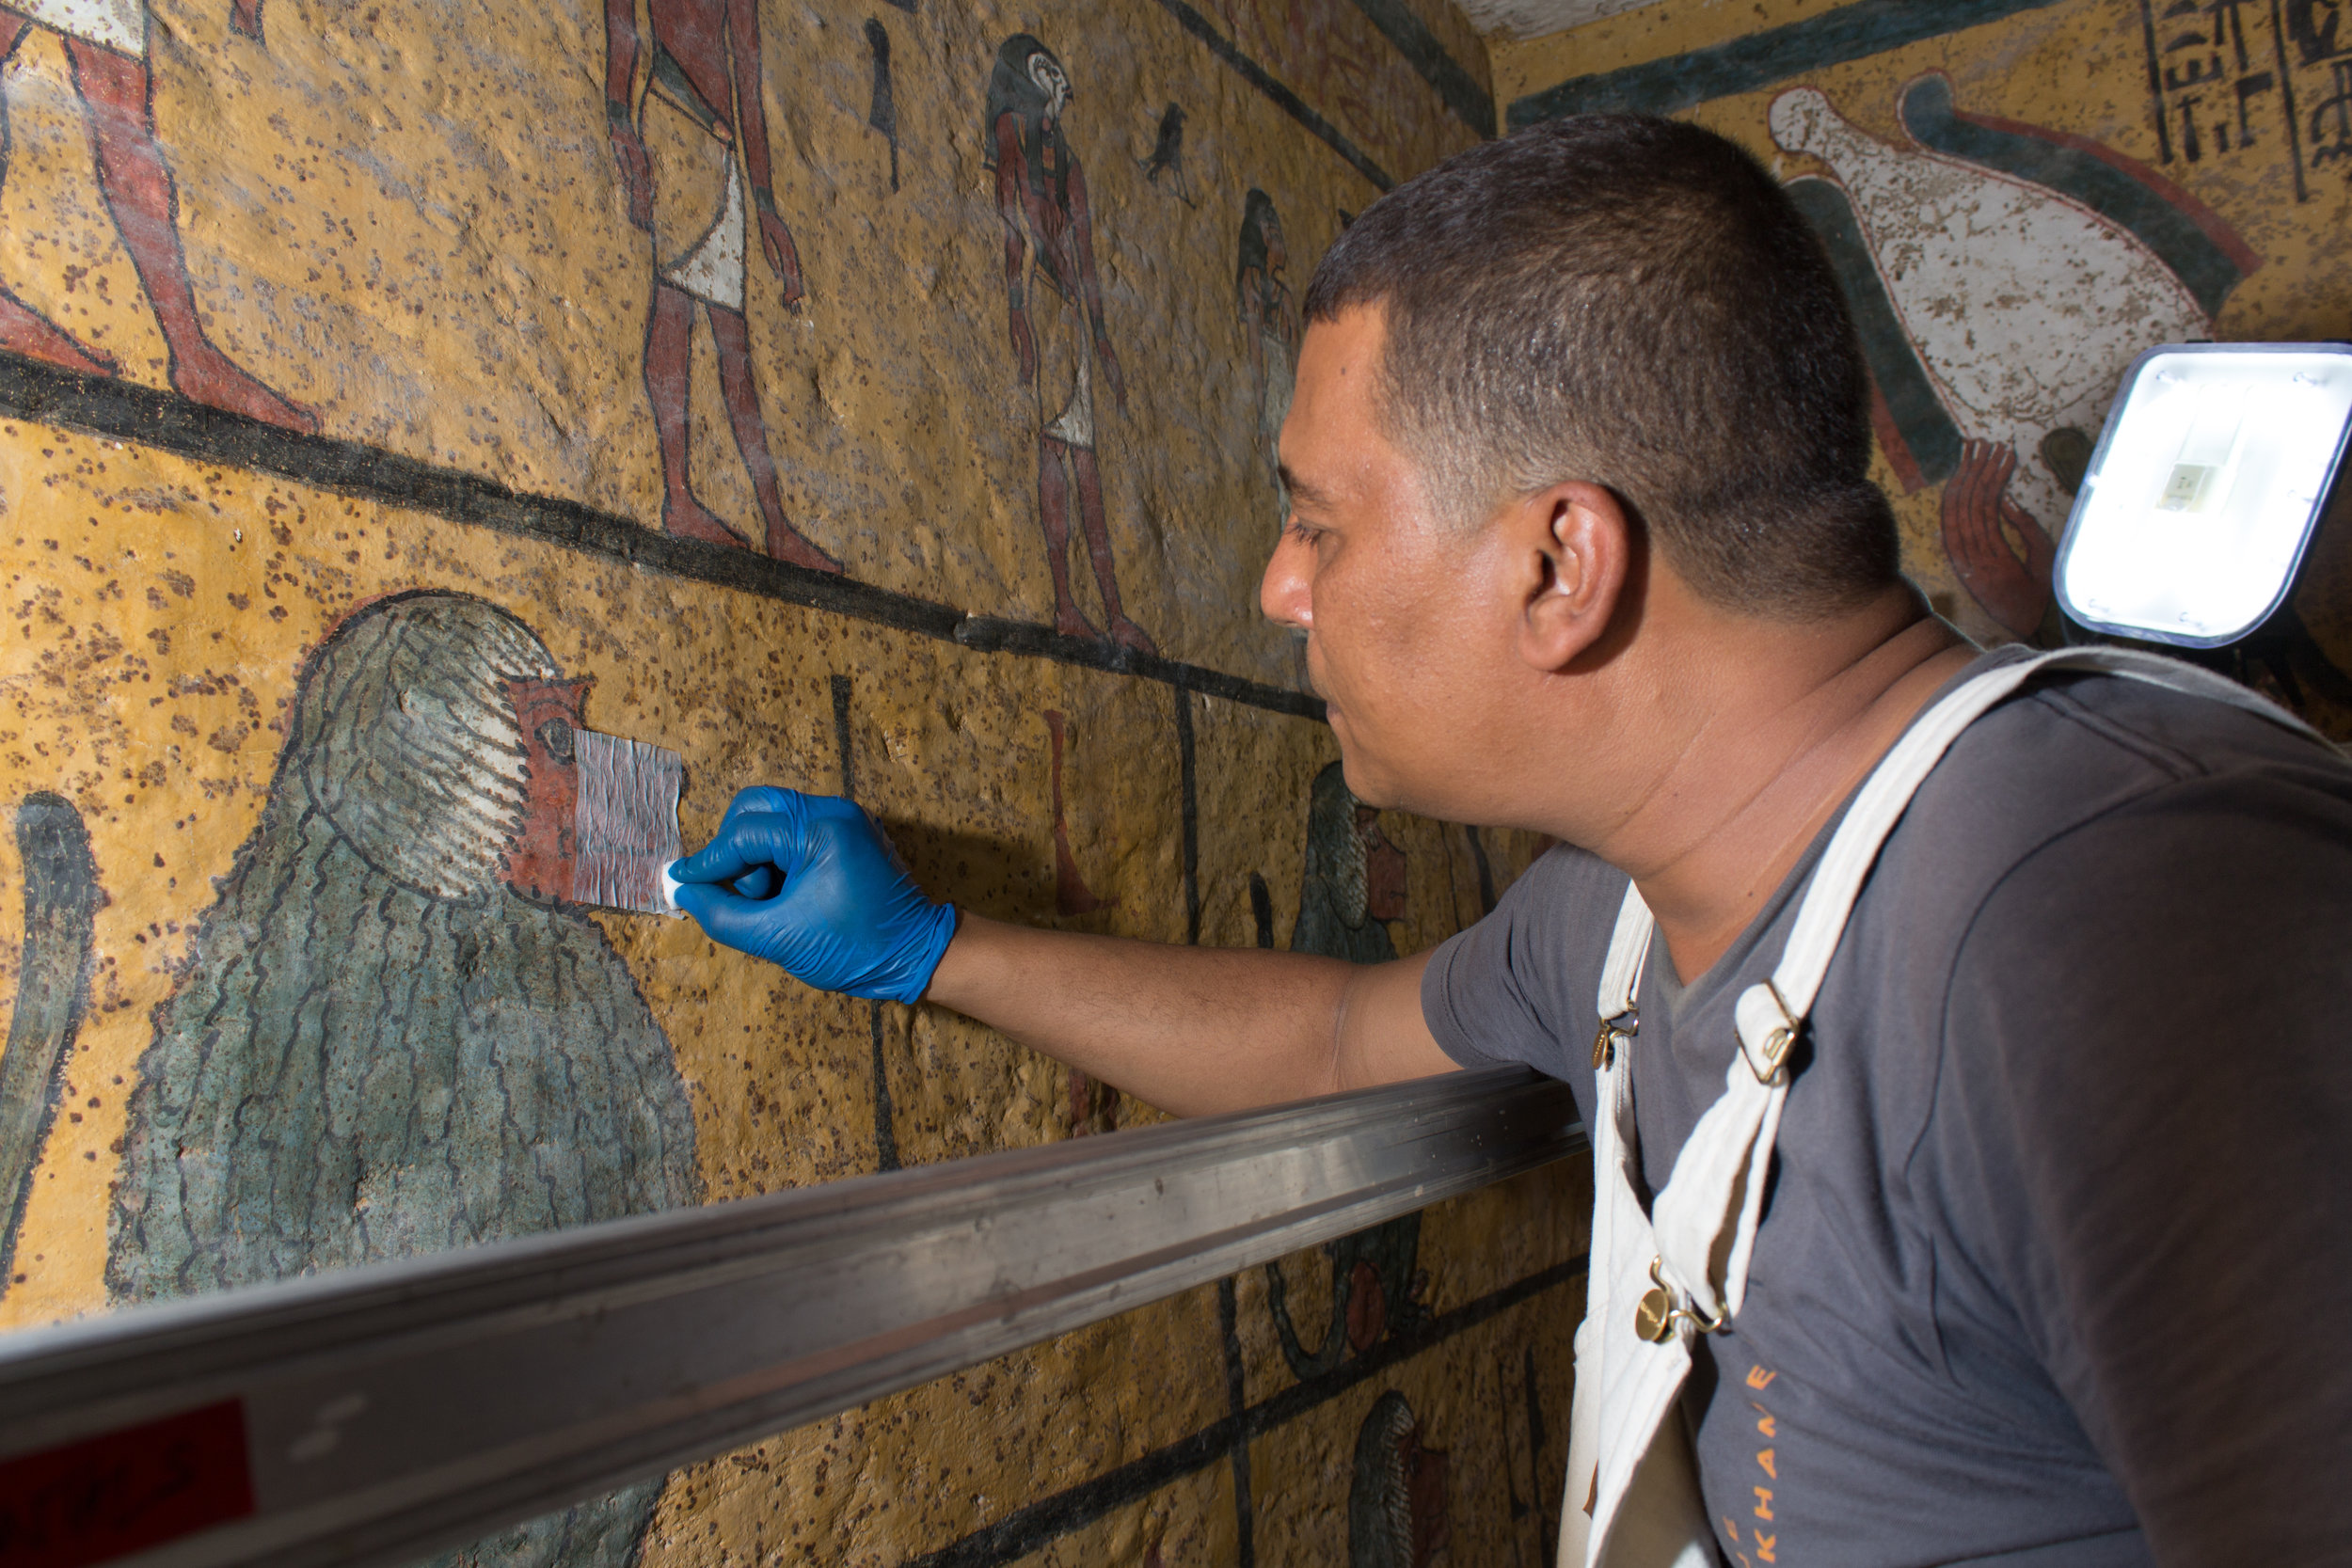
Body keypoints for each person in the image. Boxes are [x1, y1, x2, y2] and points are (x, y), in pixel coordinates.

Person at [667, 117, 2352, 1566]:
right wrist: (931, 948)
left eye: (1319, 521)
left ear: (1561, 567)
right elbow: (1339, 1038)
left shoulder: (2109, 917)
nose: (1280, 588)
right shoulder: (1625, 917)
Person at [604, 0, 841, 572]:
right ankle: (684, 499)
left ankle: (773, 523)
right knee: (673, 310)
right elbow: (624, 35)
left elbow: (749, 87)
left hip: (723, 149)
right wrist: (622, 128)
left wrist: (766, 208)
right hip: (672, 121)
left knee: (732, 345)